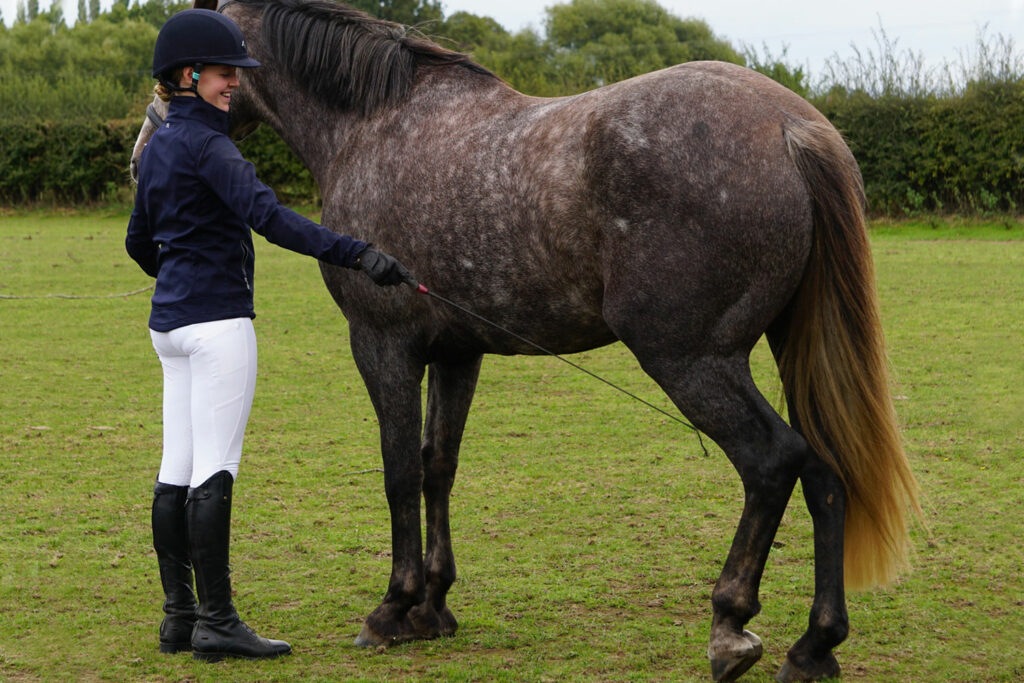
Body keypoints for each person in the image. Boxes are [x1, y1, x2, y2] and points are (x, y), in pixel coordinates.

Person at [126, 8, 411, 662]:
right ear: (190, 74)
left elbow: (138, 241)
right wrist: (358, 253)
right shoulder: (210, 146)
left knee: (176, 468)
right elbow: (271, 218)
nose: (235, 85)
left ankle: (179, 616)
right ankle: (218, 620)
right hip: (218, 323)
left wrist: (178, 269)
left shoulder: (162, 146)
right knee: (213, 469)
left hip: (169, 326)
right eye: (227, 74)